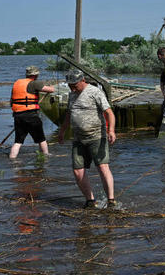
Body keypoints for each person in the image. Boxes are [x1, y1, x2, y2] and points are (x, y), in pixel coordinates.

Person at [58, 69, 117, 209]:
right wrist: (62, 131)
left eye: (75, 85)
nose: (72, 87)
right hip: (78, 139)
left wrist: (111, 130)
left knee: (102, 167)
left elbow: (109, 112)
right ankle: (90, 201)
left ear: (82, 80)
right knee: (77, 170)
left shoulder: (94, 92)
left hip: (97, 136)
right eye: (70, 85)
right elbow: (68, 114)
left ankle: (111, 200)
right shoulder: (72, 95)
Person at [9, 66, 55, 159]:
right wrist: (51, 86)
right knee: (41, 139)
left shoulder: (17, 83)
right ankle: (46, 156)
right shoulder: (34, 83)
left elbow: (11, 102)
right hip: (31, 116)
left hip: (18, 116)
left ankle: (12, 158)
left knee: (18, 141)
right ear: (36, 75)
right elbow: (51, 90)